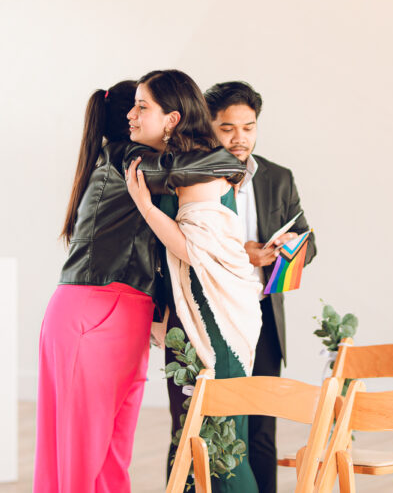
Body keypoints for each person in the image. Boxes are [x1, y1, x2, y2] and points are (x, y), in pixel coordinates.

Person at [34, 79, 245, 493]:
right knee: (82, 453)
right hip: (97, 310)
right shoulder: (126, 157)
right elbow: (186, 169)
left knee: (112, 452)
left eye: (141, 107)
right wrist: (235, 164)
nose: (136, 114)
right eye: (136, 107)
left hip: (113, 312)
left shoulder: (115, 158)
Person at [124, 69, 262, 493]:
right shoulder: (180, 165)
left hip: (213, 321)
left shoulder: (200, 166)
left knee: (219, 446)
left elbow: (196, 251)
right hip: (189, 317)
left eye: (142, 106)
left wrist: (145, 207)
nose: (131, 115)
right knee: (186, 439)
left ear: (172, 119)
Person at [203, 81, 317, 493]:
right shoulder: (192, 174)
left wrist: (291, 246)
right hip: (213, 314)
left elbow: (310, 241)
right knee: (201, 425)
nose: (240, 138)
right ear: (209, 127)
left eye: (248, 128)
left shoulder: (278, 178)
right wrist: (241, 253)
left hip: (265, 314)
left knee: (261, 428)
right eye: (228, 128)